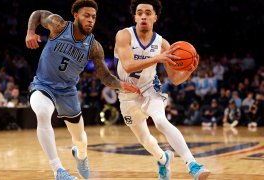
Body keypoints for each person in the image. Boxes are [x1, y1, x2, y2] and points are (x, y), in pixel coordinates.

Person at [25, 1, 140, 180]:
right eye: (86, 15)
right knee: (42, 112)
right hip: (43, 85)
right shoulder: (59, 25)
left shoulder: (94, 47)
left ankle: (81, 156)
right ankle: (58, 171)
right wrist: (31, 32)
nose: (90, 20)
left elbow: (105, 76)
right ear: (76, 15)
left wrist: (121, 85)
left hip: (68, 92)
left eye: (93, 17)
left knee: (80, 139)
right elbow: (38, 13)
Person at [114, 0, 210, 179]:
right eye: (140, 12)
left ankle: (193, 164)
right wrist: (158, 58)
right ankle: (163, 158)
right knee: (145, 140)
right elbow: (127, 66)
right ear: (135, 16)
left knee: (160, 120)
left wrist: (189, 71)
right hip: (126, 95)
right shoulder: (124, 35)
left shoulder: (163, 44)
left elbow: (175, 79)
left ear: (155, 17)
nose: (143, 15)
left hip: (150, 89)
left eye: (148, 13)